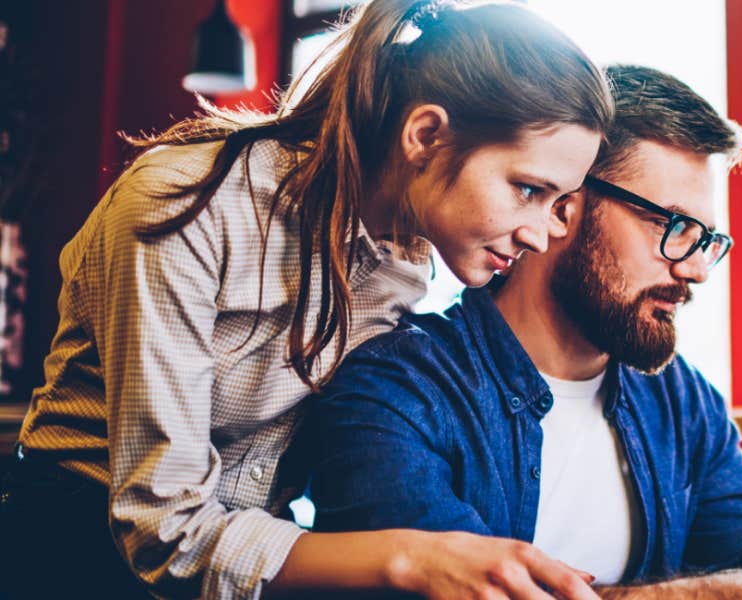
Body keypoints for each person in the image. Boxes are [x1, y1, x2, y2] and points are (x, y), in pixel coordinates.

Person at [0, 1, 613, 598]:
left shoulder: (405, 264)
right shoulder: (184, 205)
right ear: (425, 134)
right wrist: (415, 559)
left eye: (557, 202)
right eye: (528, 189)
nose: (539, 234)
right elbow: (164, 530)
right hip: (71, 552)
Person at [305, 64, 742, 599]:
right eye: (674, 227)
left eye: (708, 241)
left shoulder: (680, 400)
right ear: (562, 205)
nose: (696, 270)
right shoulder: (393, 389)